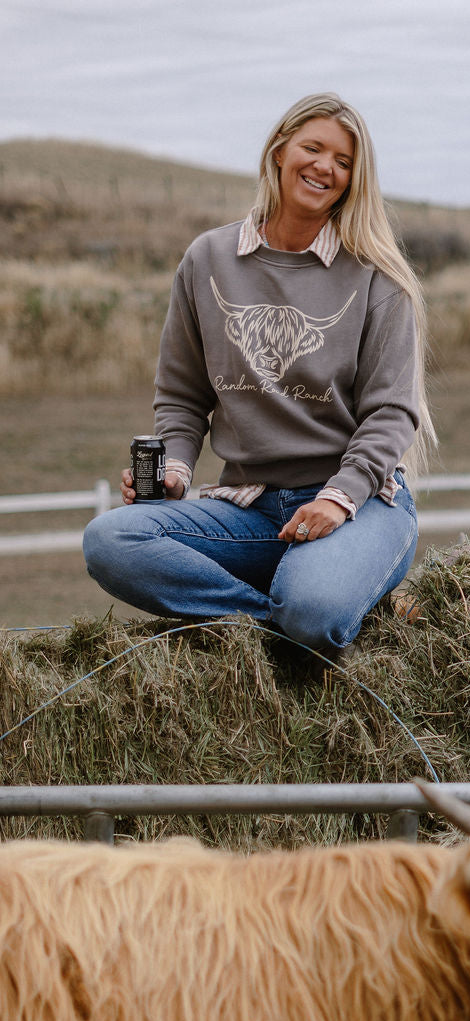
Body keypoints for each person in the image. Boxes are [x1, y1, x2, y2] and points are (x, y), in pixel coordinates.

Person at [84, 93, 434, 655]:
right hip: (248, 508)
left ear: (353, 180)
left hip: (356, 504)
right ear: (278, 151)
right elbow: (181, 395)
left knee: (314, 609)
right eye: (313, 148)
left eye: (343, 161)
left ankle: (307, 607)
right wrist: (173, 470)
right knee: (110, 539)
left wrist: (338, 498)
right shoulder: (207, 259)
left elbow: (392, 413)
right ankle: (271, 629)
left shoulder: (376, 275)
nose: (325, 167)